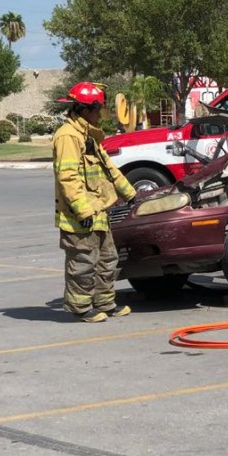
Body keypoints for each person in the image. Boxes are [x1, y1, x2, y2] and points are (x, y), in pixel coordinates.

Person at [53, 82, 138, 322]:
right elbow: (67, 177)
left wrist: (128, 192)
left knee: (107, 259)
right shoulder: (68, 136)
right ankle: (80, 308)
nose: (101, 114)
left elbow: (108, 168)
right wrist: (83, 209)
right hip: (80, 216)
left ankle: (105, 303)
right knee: (83, 262)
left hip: (99, 211)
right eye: (99, 109)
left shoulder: (88, 134)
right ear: (86, 109)